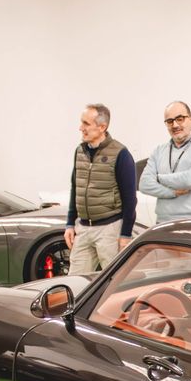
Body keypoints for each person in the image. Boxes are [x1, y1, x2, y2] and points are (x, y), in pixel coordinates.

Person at [65, 103, 136, 272]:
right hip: (83, 229)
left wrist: (125, 234)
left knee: (114, 280)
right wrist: (70, 224)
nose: (81, 128)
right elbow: (75, 188)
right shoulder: (79, 151)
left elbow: (130, 199)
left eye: (86, 123)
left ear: (102, 127)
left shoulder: (121, 154)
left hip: (109, 230)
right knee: (75, 280)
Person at [139, 100, 191, 223]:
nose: (174, 125)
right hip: (163, 222)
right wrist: (171, 192)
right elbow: (144, 184)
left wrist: (158, 179)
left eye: (180, 119)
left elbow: (189, 180)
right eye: (169, 121)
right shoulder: (159, 151)